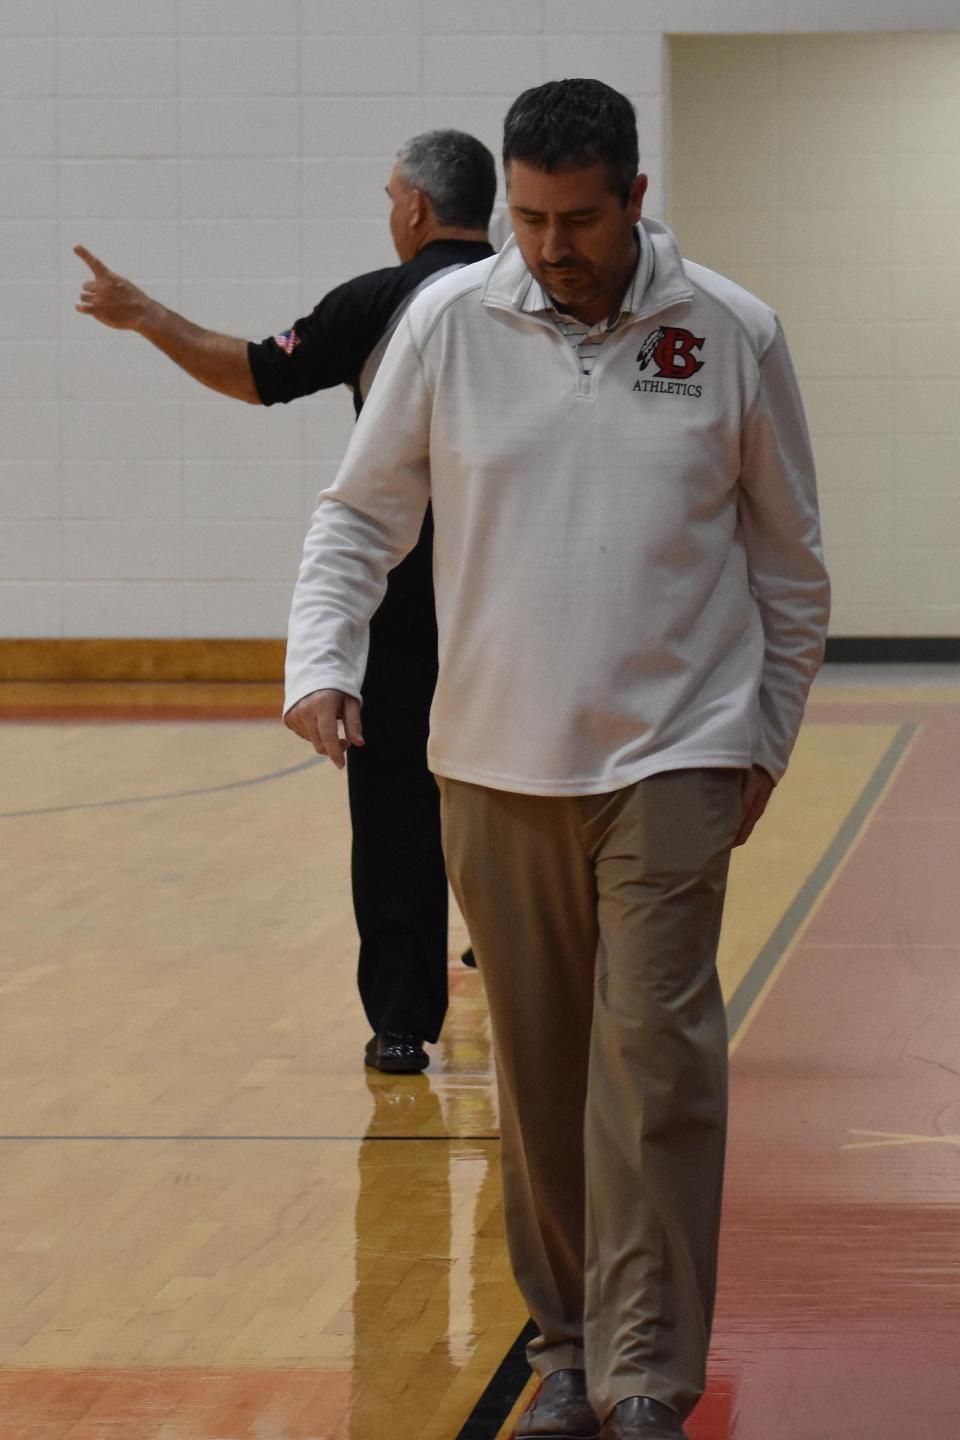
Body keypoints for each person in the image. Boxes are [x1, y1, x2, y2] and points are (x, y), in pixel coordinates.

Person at [282, 78, 830, 1440]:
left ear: (635, 200)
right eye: (525, 217)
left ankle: (648, 1375)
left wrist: (759, 747)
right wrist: (321, 663)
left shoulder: (732, 331)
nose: (547, 244)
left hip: (678, 756)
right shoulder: (449, 325)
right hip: (492, 761)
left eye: (575, 219)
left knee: (654, 1068)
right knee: (537, 1079)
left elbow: (790, 568)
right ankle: (572, 1344)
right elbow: (357, 517)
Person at [74, 129, 497, 1074]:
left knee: (396, 810)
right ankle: (515, 958)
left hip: (404, 602)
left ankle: (401, 1022)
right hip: (509, 604)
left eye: (391, 194)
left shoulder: (383, 302)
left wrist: (143, 312)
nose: (390, 209)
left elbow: (254, 373)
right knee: (512, 790)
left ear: (418, 207)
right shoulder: (524, 296)